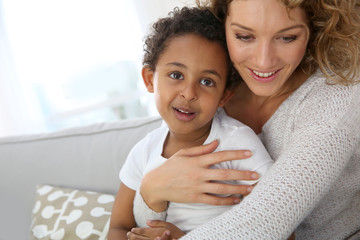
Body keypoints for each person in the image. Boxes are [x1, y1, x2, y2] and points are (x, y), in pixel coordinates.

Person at [128, 0, 360, 239]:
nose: (264, 61)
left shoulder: (340, 95)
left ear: (315, 28)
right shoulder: (209, 88)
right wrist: (150, 189)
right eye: (244, 36)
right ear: (223, 24)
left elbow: (266, 219)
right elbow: (140, 217)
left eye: (288, 37)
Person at [108, 6, 274, 240]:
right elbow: (117, 228)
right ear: (149, 79)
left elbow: (277, 226)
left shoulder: (237, 145)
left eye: (207, 81)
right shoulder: (143, 152)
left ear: (224, 96)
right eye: (176, 75)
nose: (189, 93)